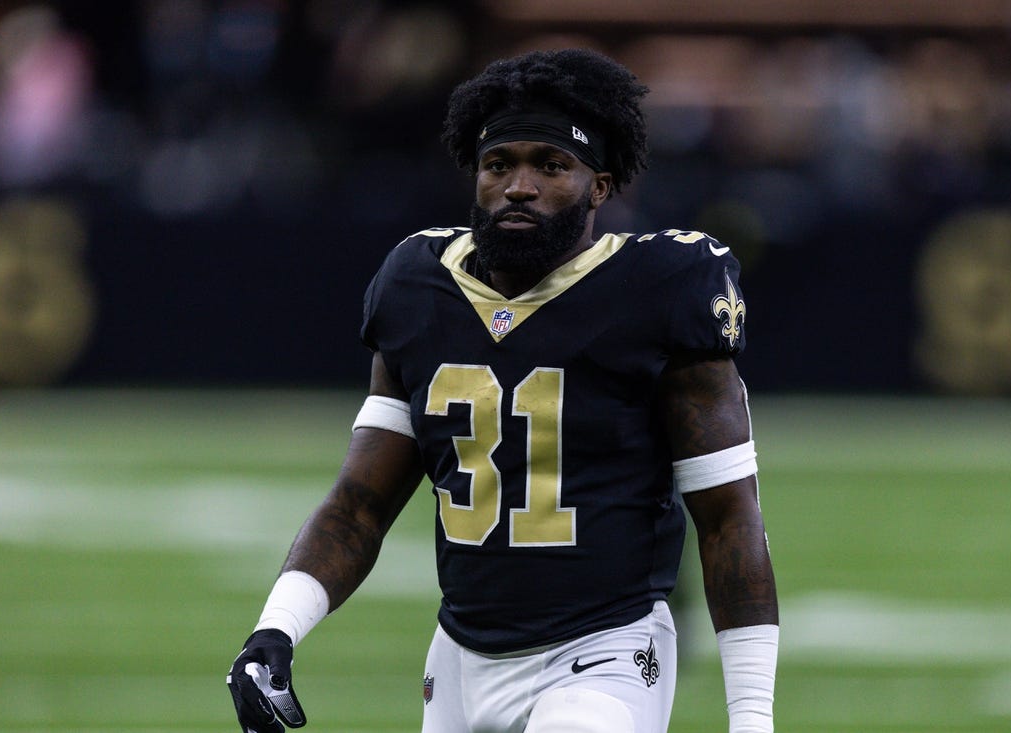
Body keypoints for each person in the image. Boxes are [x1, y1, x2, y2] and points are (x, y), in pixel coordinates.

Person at [227, 48, 779, 733]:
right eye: (500, 164)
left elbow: (729, 515)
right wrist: (274, 631)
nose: (519, 185)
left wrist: (752, 716)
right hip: (459, 658)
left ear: (599, 186)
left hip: (604, 647)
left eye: (550, 166)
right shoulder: (416, 285)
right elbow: (360, 504)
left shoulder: (659, 287)